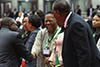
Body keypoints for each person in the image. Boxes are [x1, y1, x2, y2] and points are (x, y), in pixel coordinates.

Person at [52, 0, 100, 67]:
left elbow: (84, 54)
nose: (54, 18)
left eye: (53, 14)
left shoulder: (75, 24)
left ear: (58, 13)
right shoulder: (71, 21)